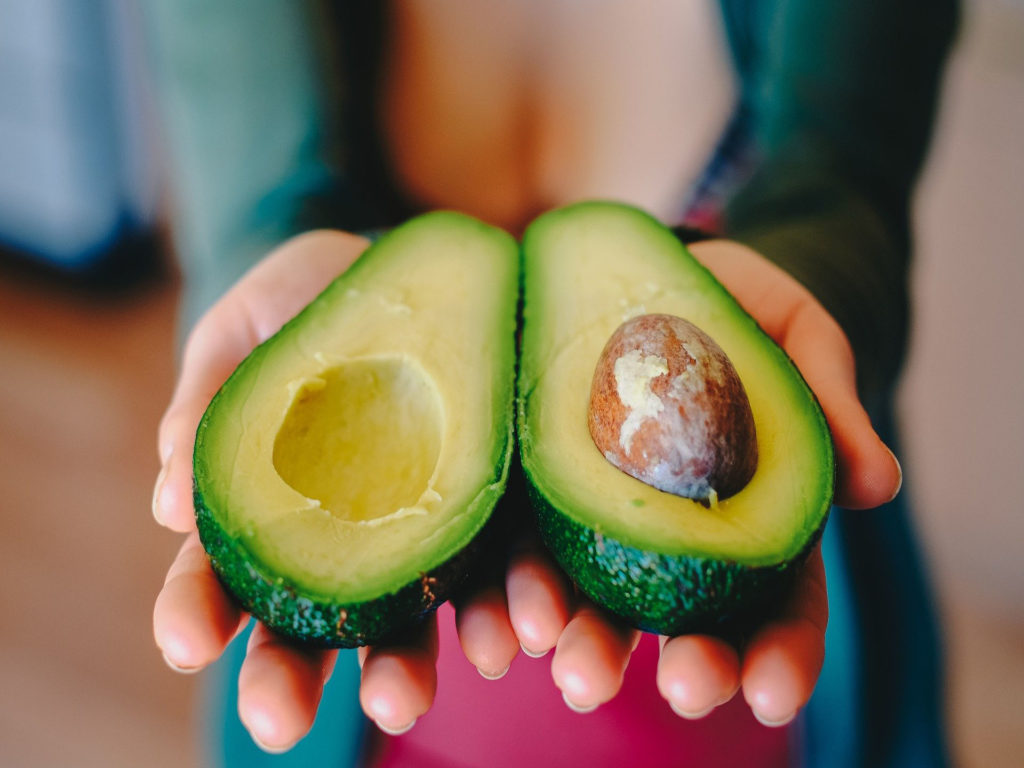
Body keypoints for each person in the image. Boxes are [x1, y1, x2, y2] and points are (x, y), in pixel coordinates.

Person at [144, 1, 956, 765]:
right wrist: (261, 277)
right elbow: (249, 185)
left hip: (744, 693)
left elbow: (849, 186)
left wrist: (814, 289)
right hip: (370, 706)